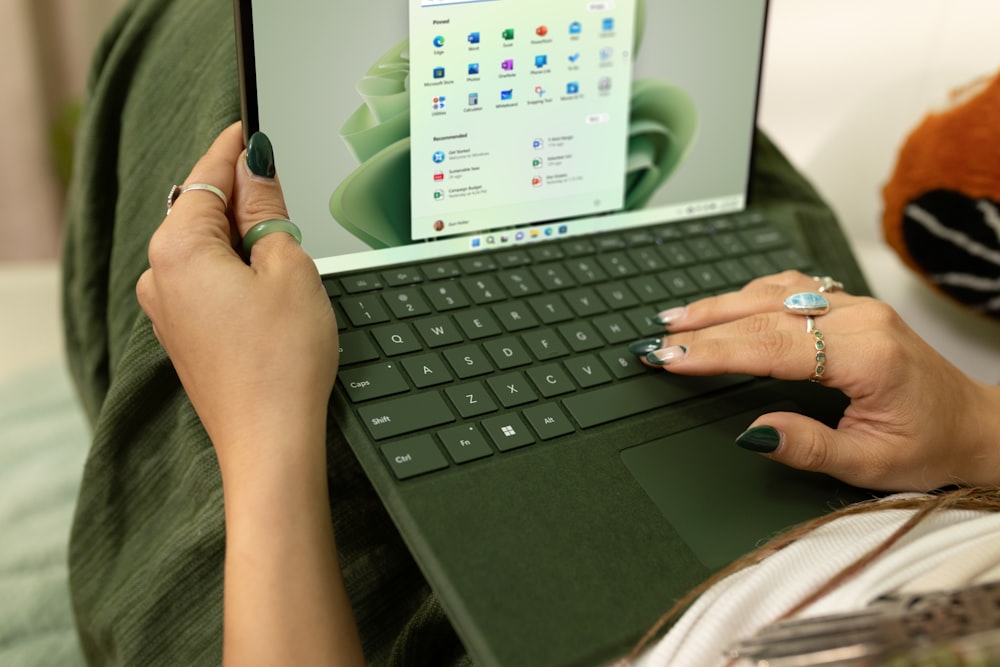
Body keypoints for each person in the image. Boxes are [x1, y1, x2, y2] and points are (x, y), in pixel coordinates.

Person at [135, 123, 1000, 666]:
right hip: (937, 464)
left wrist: (262, 431)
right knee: (725, 179)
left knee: (213, 68)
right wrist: (976, 423)